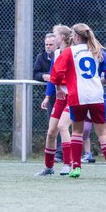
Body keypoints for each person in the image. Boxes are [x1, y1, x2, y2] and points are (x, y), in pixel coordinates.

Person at [51, 23, 106, 179]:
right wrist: (100, 81)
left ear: (76, 37)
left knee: (77, 132)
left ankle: (76, 167)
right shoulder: (98, 51)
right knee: (103, 133)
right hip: (97, 95)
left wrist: (58, 88)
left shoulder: (69, 52)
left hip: (77, 96)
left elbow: (57, 72)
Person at [36, 24, 73, 176]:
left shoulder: (73, 52)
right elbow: (53, 76)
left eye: (55, 35)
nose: (53, 37)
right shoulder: (56, 54)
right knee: (51, 132)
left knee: (63, 127)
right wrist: (47, 96)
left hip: (73, 97)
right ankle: (49, 167)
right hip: (60, 98)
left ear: (62, 37)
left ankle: (67, 164)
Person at [33, 33, 63, 162]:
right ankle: (56, 153)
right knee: (53, 125)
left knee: (64, 125)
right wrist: (44, 76)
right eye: (46, 44)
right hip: (51, 95)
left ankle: (64, 153)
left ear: (57, 45)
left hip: (64, 94)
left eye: (51, 44)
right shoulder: (41, 57)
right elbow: (35, 74)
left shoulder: (62, 55)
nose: (48, 47)